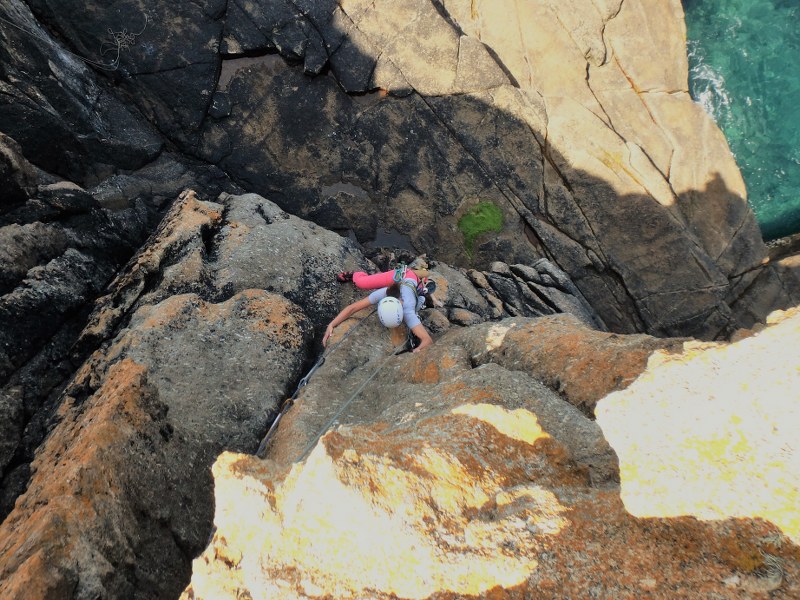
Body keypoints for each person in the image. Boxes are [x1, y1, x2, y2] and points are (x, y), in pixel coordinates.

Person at [322, 267, 434, 352]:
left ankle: (422, 289)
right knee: (361, 282)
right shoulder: (384, 293)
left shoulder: (408, 311)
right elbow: (352, 308)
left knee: (419, 303)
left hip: (410, 280)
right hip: (400, 276)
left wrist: (418, 350)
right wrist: (331, 324)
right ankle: (355, 275)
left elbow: (427, 340)